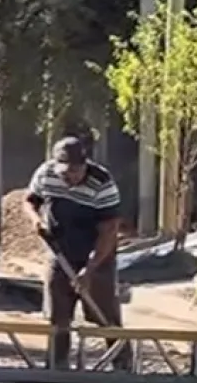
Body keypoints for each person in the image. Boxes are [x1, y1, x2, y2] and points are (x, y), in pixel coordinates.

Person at [23, 136, 130, 370]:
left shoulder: (102, 183)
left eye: (75, 172)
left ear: (85, 165)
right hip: (60, 252)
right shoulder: (46, 173)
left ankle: (122, 364)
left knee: (104, 313)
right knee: (58, 314)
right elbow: (30, 201)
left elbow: (109, 231)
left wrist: (89, 270)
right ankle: (57, 365)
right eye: (65, 172)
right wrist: (36, 221)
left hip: (97, 255)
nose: (70, 177)